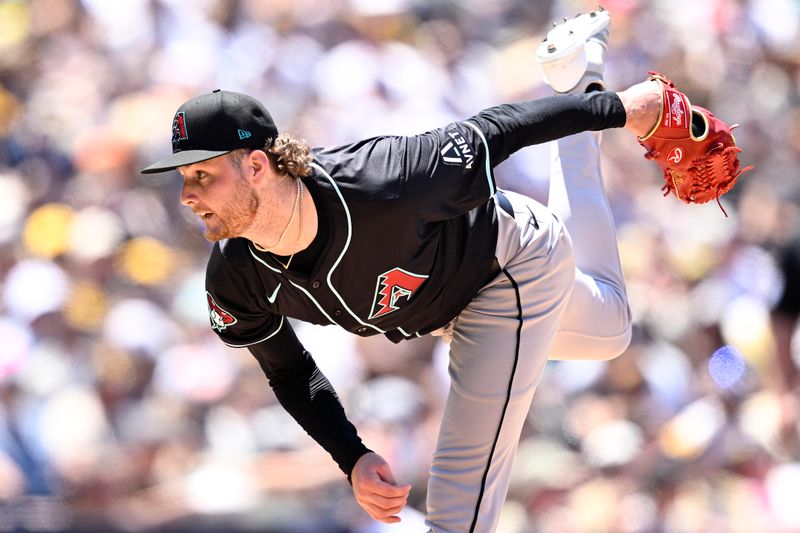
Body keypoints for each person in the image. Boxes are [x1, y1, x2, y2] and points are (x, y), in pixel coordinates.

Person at [142, 9, 663, 532]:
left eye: (203, 175)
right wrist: (351, 456)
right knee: (610, 330)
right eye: (185, 176)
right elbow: (289, 372)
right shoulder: (234, 278)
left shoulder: (381, 182)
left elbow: (496, 132)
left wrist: (622, 108)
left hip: (507, 264)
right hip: (451, 308)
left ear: (256, 166)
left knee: (459, 512)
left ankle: (588, 94)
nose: (187, 195)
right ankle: (581, 70)